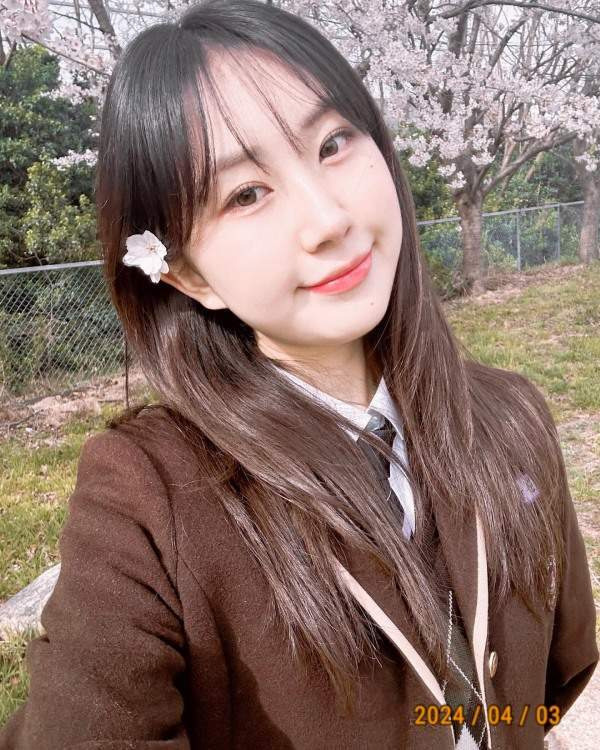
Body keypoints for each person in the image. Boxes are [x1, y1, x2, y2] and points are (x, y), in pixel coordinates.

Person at [1, 1, 597, 748]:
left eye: (333, 143)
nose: (328, 220)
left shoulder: (511, 417)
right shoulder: (147, 498)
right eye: (246, 194)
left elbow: (557, 672)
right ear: (188, 275)